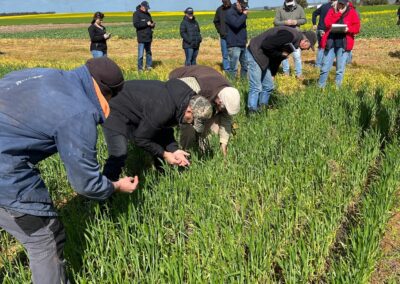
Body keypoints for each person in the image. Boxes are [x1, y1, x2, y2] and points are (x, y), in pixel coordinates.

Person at [0, 57, 138, 284]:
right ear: (107, 92)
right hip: (4, 171)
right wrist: (115, 186)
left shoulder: (46, 73)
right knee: (44, 237)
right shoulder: (79, 112)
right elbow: (85, 184)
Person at [102, 79, 213, 180]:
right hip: (115, 107)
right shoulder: (164, 108)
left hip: (137, 107)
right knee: (119, 152)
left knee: (154, 136)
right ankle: (104, 192)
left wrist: (174, 150)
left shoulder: (181, 100)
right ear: (189, 111)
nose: (191, 124)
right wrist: (165, 154)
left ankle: (162, 177)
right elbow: (141, 138)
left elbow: (162, 127)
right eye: (193, 121)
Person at [169, 65, 241, 157]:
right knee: (188, 126)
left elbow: (226, 119)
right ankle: (186, 152)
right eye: (223, 109)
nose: (224, 111)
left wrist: (223, 145)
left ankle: (203, 150)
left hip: (207, 91)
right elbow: (175, 90)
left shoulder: (229, 93)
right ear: (219, 101)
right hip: (179, 80)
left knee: (214, 122)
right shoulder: (197, 87)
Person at [247, 27, 316, 113]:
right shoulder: (289, 36)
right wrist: (280, 54)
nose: (307, 49)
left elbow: (278, 59)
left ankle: (262, 109)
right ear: (305, 41)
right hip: (255, 52)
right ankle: (252, 111)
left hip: (264, 56)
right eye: (309, 47)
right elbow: (266, 45)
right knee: (256, 86)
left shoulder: (294, 44)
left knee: (269, 86)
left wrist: (273, 73)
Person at [318, 0, 360, 88]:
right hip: (331, 42)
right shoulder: (332, 11)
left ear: (347, 4)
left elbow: (357, 28)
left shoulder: (352, 12)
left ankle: (338, 89)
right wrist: (337, 13)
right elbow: (327, 23)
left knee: (339, 69)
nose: (340, 6)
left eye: (342, 4)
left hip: (343, 43)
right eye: (339, 3)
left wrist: (348, 29)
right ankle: (320, 88)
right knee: (325, 68)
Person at [274, 0, 307, 79]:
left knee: (297, 56)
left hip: (296, 37)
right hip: (284, 36)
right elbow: (276, 22)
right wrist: (285, 22)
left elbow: (304, 20)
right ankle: (286, 73)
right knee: (284, 56)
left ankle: (298, 74)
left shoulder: (299, 8)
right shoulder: (280, 9)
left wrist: (296, 21)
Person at [225, 0, 249, 79]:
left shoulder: (241, 13)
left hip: (242, 43)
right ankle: (232, 85)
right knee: (234, 68)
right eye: (242, 6)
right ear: (237, 2)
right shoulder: (229, 12)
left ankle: (243, 84)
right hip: (234, 44)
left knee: (245, 66)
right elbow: (236, 24)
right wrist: (244, 15)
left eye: (245, 6)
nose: (243, 8)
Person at [312, 0, 336, 68]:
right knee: (329, 48)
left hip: (320, 29)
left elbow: (314, 13)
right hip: (328, 30)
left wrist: (314, 24)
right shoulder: (335, 7)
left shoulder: (324, 6)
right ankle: (326, 64)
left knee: (320, 47)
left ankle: (318, 65)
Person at [133, 1, 155, 71]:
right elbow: (136, 25)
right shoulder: (136, 14)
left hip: (149, 37)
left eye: (147, 8)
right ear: (142, 7)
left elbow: (150, 22)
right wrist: (146, 23)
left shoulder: (148, 14)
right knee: (140, 54)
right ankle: (140, 68)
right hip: (141, 37)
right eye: (146, 8)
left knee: (149, 53)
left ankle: (149, 66)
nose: (147, 9)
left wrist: (152, 25)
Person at [214, 0, 232, 72]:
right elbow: (216, 21)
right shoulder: (219, 9)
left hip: (233, 36)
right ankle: (227, 70)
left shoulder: (234, 8)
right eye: (224, 3)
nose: (226, 4)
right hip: (223, 36)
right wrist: (220, 30)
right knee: (225, 54)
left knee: (233, 54)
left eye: (227, 2)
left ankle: (233, 70)